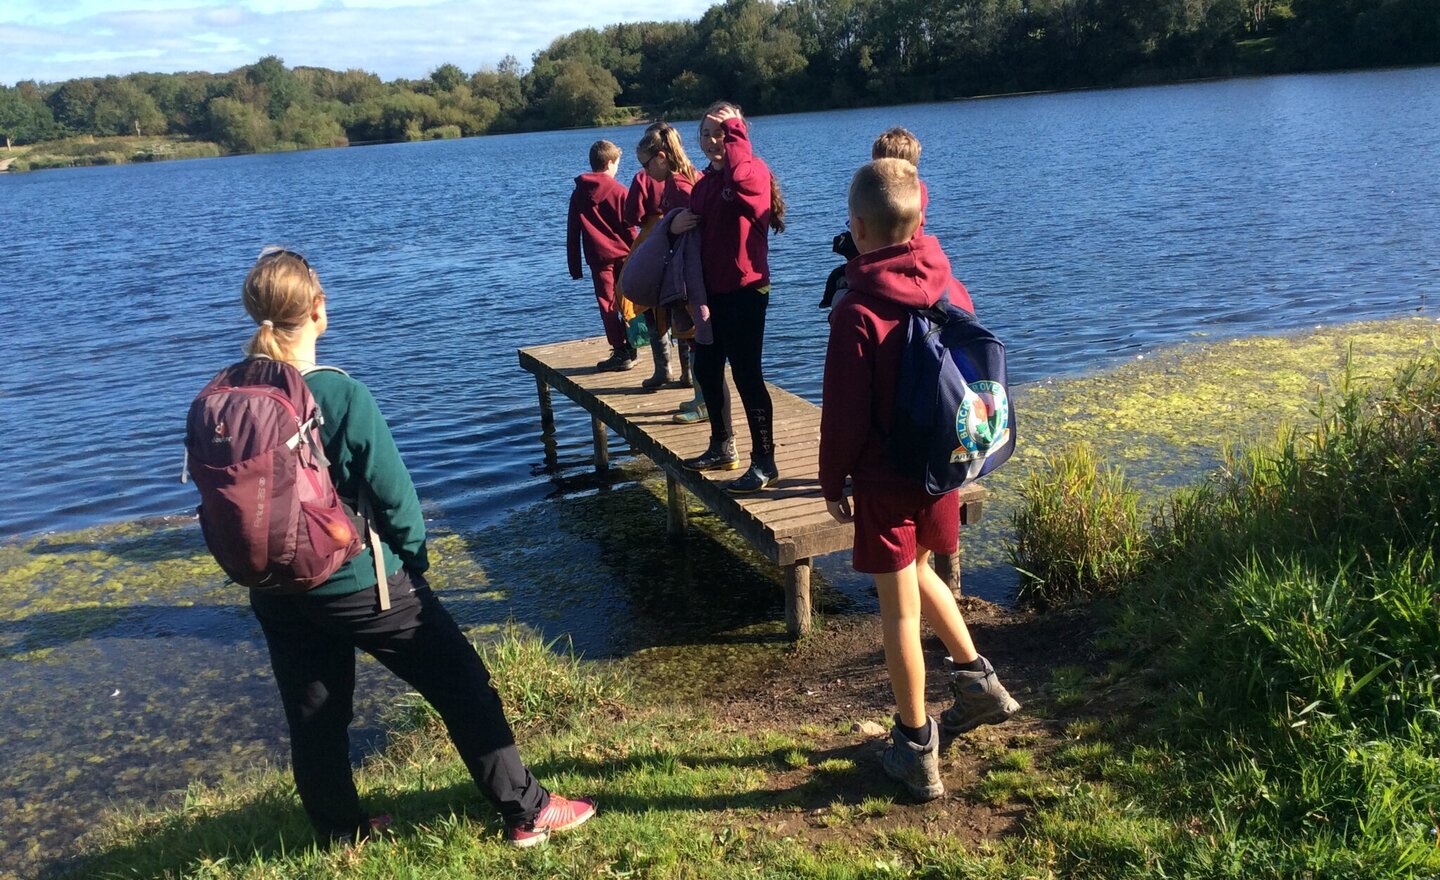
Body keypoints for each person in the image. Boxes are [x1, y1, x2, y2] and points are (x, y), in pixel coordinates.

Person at [239, 248, 596, 847]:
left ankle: (339, 830)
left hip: (274, 588)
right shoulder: (342, 396)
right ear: (319, 311)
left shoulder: (238, 396)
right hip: (355, 583)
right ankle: (528, 811)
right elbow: (398, 501)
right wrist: (413, 564)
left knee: (315, 713)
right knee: (461, 681)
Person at [819, 161, 1019, 802]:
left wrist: (832, 478)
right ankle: (978, 685)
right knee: (923, 574)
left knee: (898, 608)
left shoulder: (856, 312)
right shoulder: (948, 283)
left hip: (884, 478)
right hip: (941, 471)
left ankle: (913, 748)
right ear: (919, 221)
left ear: (856, 228)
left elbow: (844, 414)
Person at [671, 101, 787, 493]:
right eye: (705, 133)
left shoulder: (752, 171)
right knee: (705, 368)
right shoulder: (703, 185)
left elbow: (739, 174)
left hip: (747, 291)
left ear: (738, 134)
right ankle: (722, 445)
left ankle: (765, 462)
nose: (712, 140)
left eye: (722, 133)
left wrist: (735, 125)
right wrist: (676, 223)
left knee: (747, 376)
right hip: (709, 295)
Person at [633, 123, 705, 409]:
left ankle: (702, 401)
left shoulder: (677, 185)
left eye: (646, 164)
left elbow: (693, 225)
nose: (645, 171)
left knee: (694, 336)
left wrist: (667, 228)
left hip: (688, 274)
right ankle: (701, 397)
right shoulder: (689, 173)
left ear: (661, 156)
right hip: (693, 272)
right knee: (695, 336)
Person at [822, 127, 929, 311]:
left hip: (887, 263)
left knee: (841, 293)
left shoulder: (905, 194)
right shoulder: (918, 190)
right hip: (908, 261)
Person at [567, 139, 637, 371]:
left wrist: (574, 267)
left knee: (607, 304)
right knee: (630, 298)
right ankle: (635, 343)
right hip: (626, 256)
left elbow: (572, 232)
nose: (618, 168)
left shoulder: (578, 194)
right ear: (609, 163)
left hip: (598, 259)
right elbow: (629, 228)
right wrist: (640, 253)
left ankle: (620, 351)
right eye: (617, 164)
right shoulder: (619, 191)